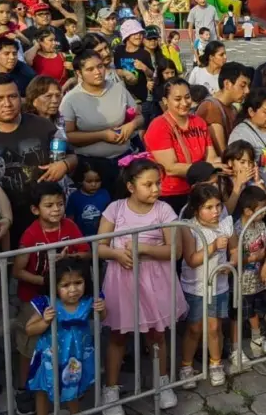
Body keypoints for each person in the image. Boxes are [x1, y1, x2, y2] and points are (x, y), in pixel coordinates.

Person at [95, 155, 185, 415]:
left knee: (157, 334)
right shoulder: (115, 209)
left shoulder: (163, 210)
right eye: (149, 184)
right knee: (118, 334)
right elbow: (99, 246)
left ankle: (162, 382)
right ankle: (110, 390)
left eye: (158, 183)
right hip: (122, 281)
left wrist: (142, 248)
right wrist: (116, 254)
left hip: (155, 281)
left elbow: (175, 250)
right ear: (131, 186)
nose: (156, 189)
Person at [0, 75, 77, 247]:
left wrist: (64, 165)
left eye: (12, 96)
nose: (7, 104)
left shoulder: (42, 126)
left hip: (43, 221)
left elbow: (72, 156)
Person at [12, 182, 89, 414]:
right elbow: (18, 270)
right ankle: (25, 387)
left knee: (60, 343)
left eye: (59, 204)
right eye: (49, 205)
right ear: (36, 210)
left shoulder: (70, 226)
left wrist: (72, 255)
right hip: (35, 298)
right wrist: (46, 282)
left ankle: (66, 385)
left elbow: (85, 251)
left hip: (64, 297)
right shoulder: (31, 233)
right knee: (30, 344)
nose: (56, 209)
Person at [25, 258, 104, 415]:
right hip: (50, 358)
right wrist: (45, 321)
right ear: (54, 286)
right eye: (65, 285)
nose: (73, 289)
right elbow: (29, 329)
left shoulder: (88, 301)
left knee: (72, 389)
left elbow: (101, 318)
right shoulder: (48, 303)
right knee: (43, 389)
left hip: (75, 357)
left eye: (78, 282)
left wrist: (101, 310)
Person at [178, 183, 236, 387]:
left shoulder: (225, 224)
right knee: (194, 328)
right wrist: (212, 247)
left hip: (219, 287)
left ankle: (215, 364)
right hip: (195, 287)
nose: (216, 211)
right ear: (196, 209)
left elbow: (235, 250)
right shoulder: (189, 228)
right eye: (209, 207)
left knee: (215, 327)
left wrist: (231, 264)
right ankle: (186, 366)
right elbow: (192, 259)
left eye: (218, 206)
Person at [61, 50, 143, 191]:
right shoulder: (71, 99)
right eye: (90, 69)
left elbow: (139, 117)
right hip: (90, 168)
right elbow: (68, 135)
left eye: (100, 66)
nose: (97, 72)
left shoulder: (119, 89)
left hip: (123, 161)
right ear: (79, 74)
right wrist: (102, 135)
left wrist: (132, 125)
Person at [144, 78, 219, 214]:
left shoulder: (199, 122)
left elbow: (211, 157)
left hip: (199, 190)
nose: (184, 103)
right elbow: (171, 168)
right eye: (177, 99)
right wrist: (208, 170)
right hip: (171, 194)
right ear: (166, 101)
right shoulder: (159, 126)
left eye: (187, 97)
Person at [229, 185, 266, 367]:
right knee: (238, 314)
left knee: (255, 309)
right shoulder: (237, 229)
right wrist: (255, 257)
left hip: (258, 279)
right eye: (261, 210)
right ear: (248, 210)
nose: (265, 214)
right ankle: (236, 348)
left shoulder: (261, 224)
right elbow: (235, 258)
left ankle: (257, 339)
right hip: (241, 281)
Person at [196, 62, 250, 156]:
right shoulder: (211, 108)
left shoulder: (232, 108)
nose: (247, 91)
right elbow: (222, 151)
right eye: (242, 86)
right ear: (227, 84)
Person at [66, 161, 111, 236]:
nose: (94, 184)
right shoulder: (74, 197)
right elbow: (70, 220)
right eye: (89, 181)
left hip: (102, 236)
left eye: (97, 181)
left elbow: (111, 216)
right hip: (81, 238)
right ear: (80, 181)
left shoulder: (104, 194)